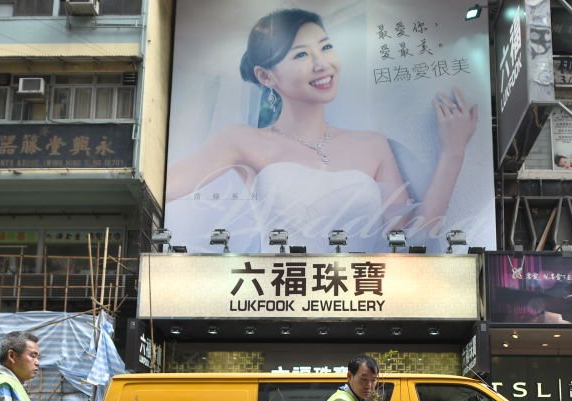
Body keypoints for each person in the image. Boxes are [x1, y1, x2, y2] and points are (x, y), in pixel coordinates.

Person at [165, 8, 479, 252]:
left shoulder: (372, 145)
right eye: (301, 54)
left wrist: (453, 152)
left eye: (325, 47)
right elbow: (162, 184)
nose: (322, 64)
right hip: (274, 296)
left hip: (359, 299)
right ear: (266, 76)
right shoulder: (243, 140)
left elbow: (414, 240)